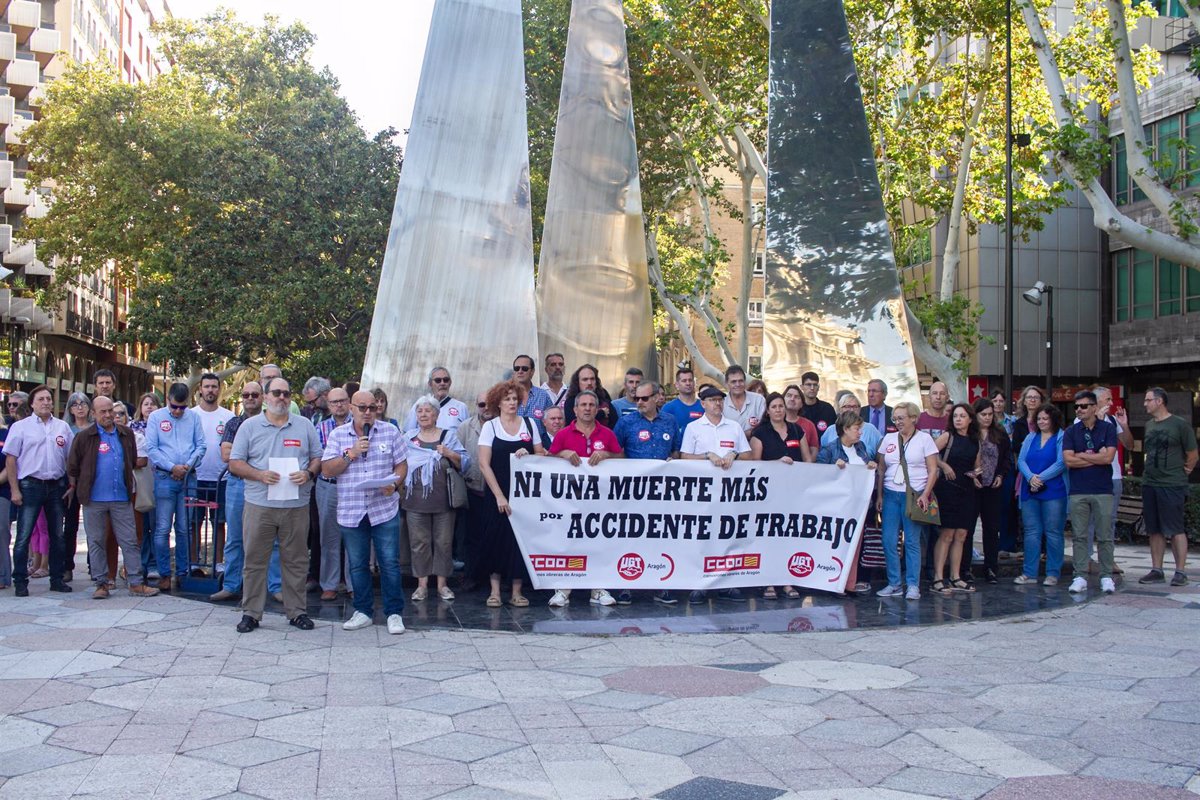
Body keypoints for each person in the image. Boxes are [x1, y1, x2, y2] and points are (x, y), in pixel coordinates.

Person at [229, 379, 321, 633]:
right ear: (266, 397)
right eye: (276, 393)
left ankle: (297, 612)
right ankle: (251, 613)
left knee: (296, 561)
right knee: (255, 560)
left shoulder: (303, 425)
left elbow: (317, 458)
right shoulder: (249, 427)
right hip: (260, 505)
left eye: (286, 393)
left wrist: (309, 474)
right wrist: (259, 474)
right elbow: (235, 463)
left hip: (296, 505)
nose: (281, 397)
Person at [322, 390, 409, 634]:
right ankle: (363, 611)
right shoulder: (339, 435)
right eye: (363, 408)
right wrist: (351, 454)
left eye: (372, 407)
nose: (368, 412)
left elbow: (402, 463)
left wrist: (394, 484)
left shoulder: (390, 431)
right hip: (351, 510)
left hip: (383, 508)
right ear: (351, 408)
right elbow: (327, 470)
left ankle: (394, 613)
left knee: (390, 563)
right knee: (358, 564)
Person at [67, 396, 159, 600]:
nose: (109, 415)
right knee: (96, 541)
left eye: (112, 411)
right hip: (94, 500)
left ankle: (136, 582)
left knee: (130, 541)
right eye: (103, 411)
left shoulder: (126, 434)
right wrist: (77, 487)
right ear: (93, 413)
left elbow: (133, 459)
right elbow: (72, 465)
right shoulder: (84, 437)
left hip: (122, 497)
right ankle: (101, 583)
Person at [547, 390, 623, 608]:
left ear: (597, 408)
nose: (588, 408)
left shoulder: (607, 434)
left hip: (600, 501)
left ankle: (597, 588)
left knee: (598, 543)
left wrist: (608, 455)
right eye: (583, 405)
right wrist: (562, 454)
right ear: (575, 409)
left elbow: (622, 458)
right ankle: (563, 588)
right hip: (569, 502)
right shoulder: (563, 434)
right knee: (568, 543)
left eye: (591, 405)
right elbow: (547, 463)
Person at [210, 383, 282, 604]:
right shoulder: (234, 423)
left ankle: (276, 586)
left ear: (263, 397)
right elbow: (227, 455)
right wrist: (255, 455)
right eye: (246, 395)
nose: (250, 398)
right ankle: (232, 585)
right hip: (238, 484)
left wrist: (244, 455)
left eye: (254, 394)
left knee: (273, 538)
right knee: (235, 536)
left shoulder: (273, 421)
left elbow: (271, 452)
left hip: (266, 484)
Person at [477, 379, 546, 608]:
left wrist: (528, 454)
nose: (512, 403)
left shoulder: (530, 424)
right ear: (498, 402)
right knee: (494, 537)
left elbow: (540, 456)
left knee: (519, 541)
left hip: (523, 494)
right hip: (498, 491)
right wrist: (498, 495)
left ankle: (517, 591)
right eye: (507, 399)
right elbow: (484, 464)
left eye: (515, 398)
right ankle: (495, 591)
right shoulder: (491, 427)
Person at [611, 380, 680, 605]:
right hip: (634, 492)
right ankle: (625, 586)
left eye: (644, 398)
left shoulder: (670, 421)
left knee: (660, 537)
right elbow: (615, 450)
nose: (639, 402)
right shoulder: (626, 422)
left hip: (663, 493)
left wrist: (674, 463)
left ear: (657, 397)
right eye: (637, 398)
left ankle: (661, 585)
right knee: (630, 537)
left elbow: (677, 451)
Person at [681, 385, 752, 603]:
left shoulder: (734, 426)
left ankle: (726, 584)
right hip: (702, 494)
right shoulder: (694, 428)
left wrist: (734, 454)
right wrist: (706, 456)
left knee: (727, 537)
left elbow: (748, 455)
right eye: (712, 400)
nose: (717, 404)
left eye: (720, 400)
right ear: (703, 404)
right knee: (702, 538)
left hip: (729, 493)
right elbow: (684, 457)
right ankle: (699, 584)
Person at [4, 384, 76, 596]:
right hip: (30, 486)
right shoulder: (21, 427)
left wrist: (71, 484)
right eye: (41, 399)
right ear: (32, 404)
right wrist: (14, 490)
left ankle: (56, 579)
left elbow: (69, 459)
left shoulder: (62, 427)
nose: (46, 402)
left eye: (48, 399)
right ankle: (20, 581)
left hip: (56, 486)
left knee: (57, 536)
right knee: (24, 536)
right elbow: (10, 460)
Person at [402, 395, 468, 603]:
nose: (423, 415)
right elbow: (399, 463)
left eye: (428, 411)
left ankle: (442, 584)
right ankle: (421, 585)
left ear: (437, 415)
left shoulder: (448, 436)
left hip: (443, 500)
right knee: (418, 543)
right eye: (420, 411)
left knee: (444, 542)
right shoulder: (408, 438)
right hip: (415, 500)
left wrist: (449, 453)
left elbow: (465, 462)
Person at [875, 401, 939, 601]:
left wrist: (925, 494)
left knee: (912, 541)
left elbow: (933, 470)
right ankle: (894, 583)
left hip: (913, 495)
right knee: (888, 540)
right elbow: (881, 468)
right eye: (895, 418)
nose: (897, 422)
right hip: (891, 493)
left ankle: (913, 584)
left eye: (901, 418)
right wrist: (879, 495)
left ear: (913, 418)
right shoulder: (888, 438)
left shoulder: (924, 439)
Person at [146, 382, 207, 591]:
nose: (178, 411)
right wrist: (172, 467)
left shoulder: (194, 418)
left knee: (184, 529)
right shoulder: (156, 417)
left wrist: (187, 466)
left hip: (188, 478)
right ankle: (164, 573)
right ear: (168, 400)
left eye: (182, 407)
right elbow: (151, 448)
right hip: (164, 478)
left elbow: (201, 445)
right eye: (174, 407)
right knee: (162, 529)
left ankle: (182, 572)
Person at [754, 392, 814, 599]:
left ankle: (787, 581)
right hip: (768, 495)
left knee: (789, 537)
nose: (779, 410)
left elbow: (807, 459)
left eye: (781, 406)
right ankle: (768, 582)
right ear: (768, 411)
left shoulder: (797, 430)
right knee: (769, 538)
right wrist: (776, 464)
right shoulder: (760, 433)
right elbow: (754, 466)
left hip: (794, 493)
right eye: (774, 406)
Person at [1138, 388, 1198, 586]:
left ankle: (1180, 572)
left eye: (1148, 400)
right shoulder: (1149, 425)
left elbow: (1192, 453)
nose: (1145, 404)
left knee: (1175, 528)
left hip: (1172, 484)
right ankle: (1157, 569)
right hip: (1150, 483)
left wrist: (1186, 470)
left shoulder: (1179, 425)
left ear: (1160, 401)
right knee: (1154, 529)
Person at [1063, 390, 1119, 595]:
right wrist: (1096, 455)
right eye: (1076, 406)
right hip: (1078, 490)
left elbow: (1108, 458)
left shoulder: (1107, 429)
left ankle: (1106, 575)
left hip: (1103, 489)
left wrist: (1083, 456)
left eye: (1084, 406)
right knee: (1079, 535)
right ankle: (1080, 576)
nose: (1079, 409)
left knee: (1104, 536)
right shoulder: (1071, 431)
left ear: (1094, 407)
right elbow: (1069, 460)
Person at [818, 410, 880, 593]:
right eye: (856, 428)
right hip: (837, 508)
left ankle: (850, 583)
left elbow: (867, 467)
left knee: (855, 545)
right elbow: (818, 475)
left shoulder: (860, 447)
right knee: (836, 545)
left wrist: (871, 466)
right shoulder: (829, 449)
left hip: (859, 506)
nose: (860, 432)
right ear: (845, 429)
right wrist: (833, 469)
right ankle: (832, 581)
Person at [930, 403, 981, 595]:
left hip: (967, 490)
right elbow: (930, 454)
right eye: (955, 416)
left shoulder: (975, 440)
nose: (958, 419)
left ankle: (955, 576)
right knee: (947, 534)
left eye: (962, 416)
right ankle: (937, 577)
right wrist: (944, 466)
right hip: (948, 489)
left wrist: (976, 474)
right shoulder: (948, 437)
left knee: (961, 535)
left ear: (970, 419)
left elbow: (977, 465)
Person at [1015, 404, 1068, 586]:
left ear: (1053, 419)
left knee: (1053, 532)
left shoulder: (1061, 436)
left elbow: (1062, 463)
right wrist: (1030, 478)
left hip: (1053, 491)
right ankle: (1029, 573)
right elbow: (1021, 460)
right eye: (1039, 419)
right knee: (1031, 532)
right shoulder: (1031, 437)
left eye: (1045, 418)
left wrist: (1041, 478)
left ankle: (1053, 573)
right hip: (1030, 491)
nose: (1042, 422)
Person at [1086, 386, 1132, 576]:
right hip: (1091, 477)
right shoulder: (1083, 419)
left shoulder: (1113, 420)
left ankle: (1108, 559)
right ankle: (1087, 559)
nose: (1112, 403)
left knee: (1109, 520)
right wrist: (1098, 421)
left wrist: (1125, 425)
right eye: (1108, 400)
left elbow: (1129, 444)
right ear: (1096, 403)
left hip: (1113, 477)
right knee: (1089, 521)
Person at [314, 387, 353, 601]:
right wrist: (346, 457)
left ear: (349, 402)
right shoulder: (320, 427)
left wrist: (341, 459)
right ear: (328, 405)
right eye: (334, 402)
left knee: (354, 536)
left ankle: (353, 583)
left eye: (342, 401)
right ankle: (329, 584)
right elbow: (321, 460)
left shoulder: (358, 426)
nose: (339, 405)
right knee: (328, 536)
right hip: (328, 486)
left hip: (352, 486)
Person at [193, 373, 234, 576]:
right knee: (194, 523)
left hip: (222, 479)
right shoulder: (191, 415)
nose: (210, 390)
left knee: (219, 523)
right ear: (200, 389)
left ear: (219, 389)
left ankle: (218, 564)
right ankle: (194, 563)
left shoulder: (228, 417)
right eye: (206, 386)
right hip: (196, 478)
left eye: (214, 386)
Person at [972, 397, 1012, 584]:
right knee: (968, 528)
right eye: (984, 414)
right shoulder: (970, 433)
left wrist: (1000, 475)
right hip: (972, 486)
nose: (987, 418)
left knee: (991, 529)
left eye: (990, 414)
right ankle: (965, 568)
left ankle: (991, 568)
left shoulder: (1000, 434)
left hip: (992, 486)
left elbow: (1006, 459)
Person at [456, 391, 491, 591]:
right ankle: (471, 576)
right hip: (472, 488)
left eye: (489, 404)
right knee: (471, 537)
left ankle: (493, 577)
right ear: (476, 405)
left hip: (496, 491)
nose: (486, 408)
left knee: (494, 536)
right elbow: (457, 455)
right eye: (482, 404)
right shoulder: (465, 427)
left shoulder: (502, 426)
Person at [62, 391, 93, 583]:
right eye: (75, 404)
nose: (80, 407)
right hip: (70, 482)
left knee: (93, 526)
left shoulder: (95, 428)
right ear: (70, 408)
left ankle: (94, 565)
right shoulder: (66, 429)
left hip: (91, 482)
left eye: (83, 403)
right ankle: (67, 567)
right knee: (70, 526)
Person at [131, 392, 161, 580]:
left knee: (157, 525)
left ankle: (155, 563)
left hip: (158, 480)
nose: (149, 407)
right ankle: (140, 563)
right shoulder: (132, 428)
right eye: (145, 404)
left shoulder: (162, 427)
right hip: (140, 482)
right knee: (141, 526)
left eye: (153, 404)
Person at [402, 367, 470, 432]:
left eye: (446, 380)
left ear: (450, 383)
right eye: (438, 380)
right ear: (430, 384)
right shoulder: (420, 404)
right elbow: (408, 431)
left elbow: (466, 436)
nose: (442, 383)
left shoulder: (461, 407)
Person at [821, 392, 880, 459]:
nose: (852, 410)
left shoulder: (870, 429)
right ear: (840, 409)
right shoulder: (830, 430)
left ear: (860, 409)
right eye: (847, 406)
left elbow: (881, 452)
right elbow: (822, 456)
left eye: (855, 407)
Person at [563, 363, 617, 428]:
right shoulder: (570, 401)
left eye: (592, 379)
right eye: (585, 379)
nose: (589, 383)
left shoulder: (604, 396)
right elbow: (574, 423)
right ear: (577, 382)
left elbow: (614, 423)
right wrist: (601, 413)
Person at [511, 354, 555, 425]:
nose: (520, 371)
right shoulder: (505, 395)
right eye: (517, 368)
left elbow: (552, 421)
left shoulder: (543, 395)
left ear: (532, 371)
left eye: (524, 368)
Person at [722, 364, 766, 434]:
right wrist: (746, 434)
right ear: (727, 384)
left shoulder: (758, 400)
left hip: (754, 444)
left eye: (741, 381)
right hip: (730, 444)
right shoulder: (721, 403)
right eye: (733, 382)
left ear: (745, 382)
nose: (738, 384)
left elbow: (763, 427)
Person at [661, 366, 702, 434]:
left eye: (690, 380)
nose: (688, 383)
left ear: (694, 383)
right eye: (684, 381)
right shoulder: (668, 408)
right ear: (677, 385)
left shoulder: (704, 406)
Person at [783, 383, 820, 451]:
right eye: (789, 396)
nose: (792, 399)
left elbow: (814, 450)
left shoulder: (809, 425)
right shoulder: (775, 423)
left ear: (802, 404)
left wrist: (808, 461)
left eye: (797, 397)